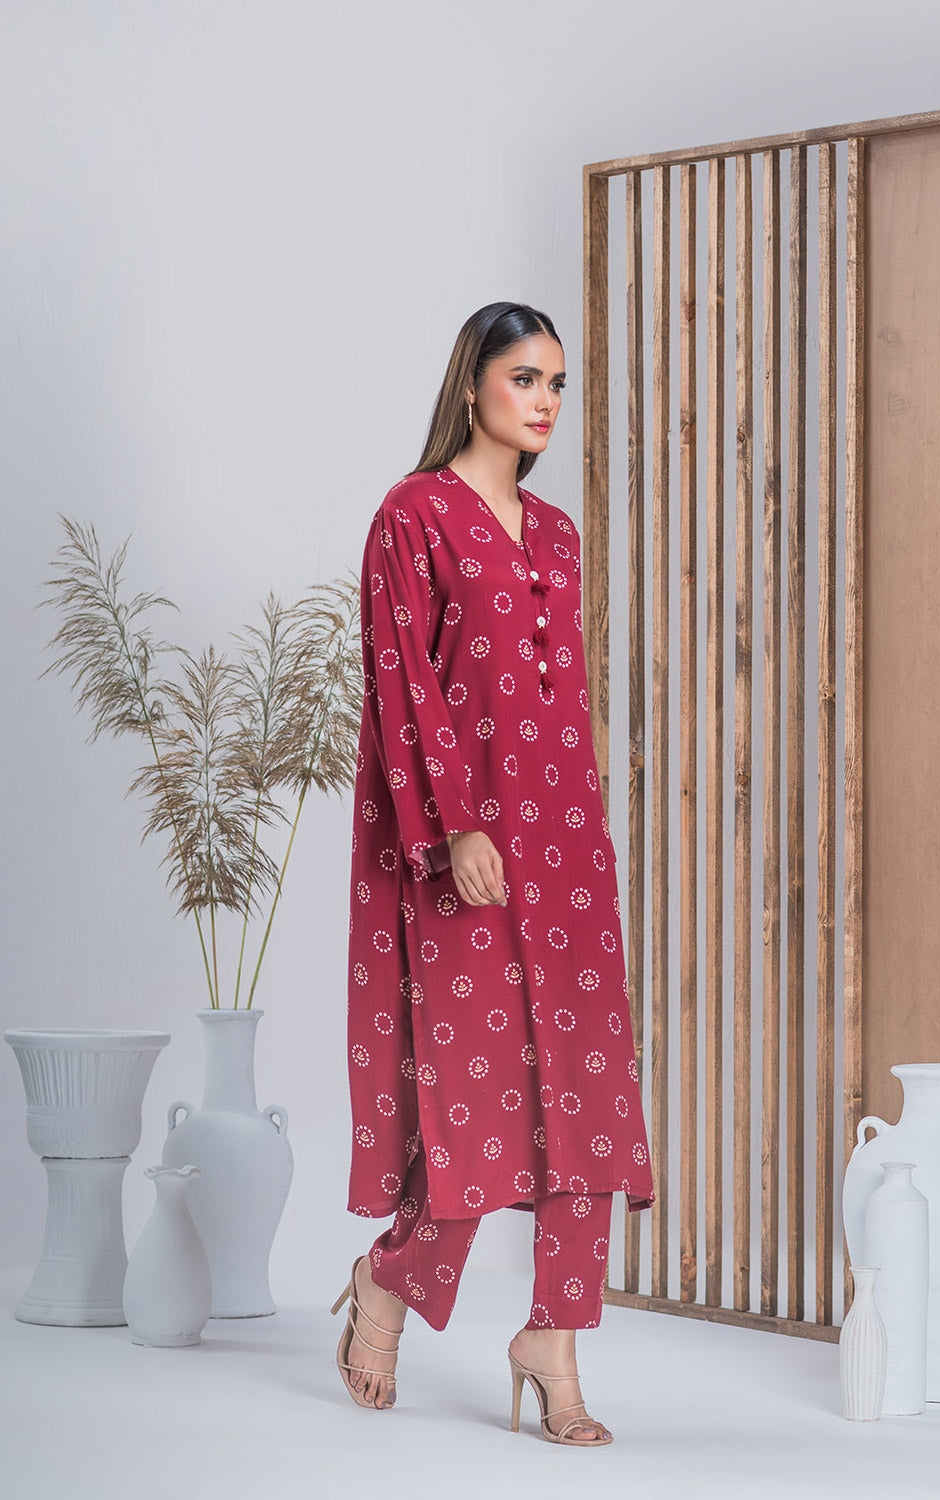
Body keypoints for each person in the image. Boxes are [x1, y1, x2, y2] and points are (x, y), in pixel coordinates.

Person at [336, 301, 653, 1446]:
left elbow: (561, 697)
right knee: (478, 1098)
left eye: (557, 383)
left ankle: (553, 1343)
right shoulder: (412, 514)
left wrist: (583, 830)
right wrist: (454, 828)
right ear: (472, 383)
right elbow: (403, 685)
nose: (545, 402)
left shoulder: (556, 533)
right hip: (463, 840)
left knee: (590, 1092)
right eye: (525, 378)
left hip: (566, 842)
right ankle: (388, 1281)